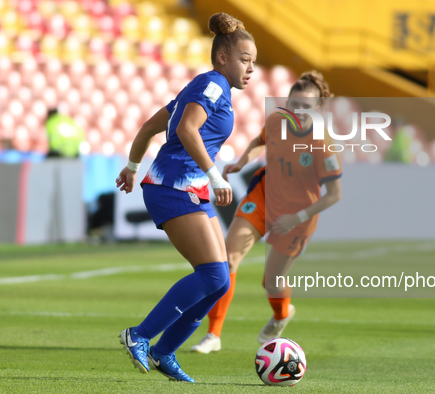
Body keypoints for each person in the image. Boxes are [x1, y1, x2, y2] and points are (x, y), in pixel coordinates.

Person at [115, 12, 256, 382]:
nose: (251, 69)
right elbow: (186, 128)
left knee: (220, 279)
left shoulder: (204, 88)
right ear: (223, 58)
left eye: (254, 62)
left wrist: (131, 166)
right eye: (245, 60)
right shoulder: (211, 86)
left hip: (187, 188)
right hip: (172, 187)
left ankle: (164, 352)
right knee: (212, 273)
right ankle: (140, 335)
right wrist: (214, 175)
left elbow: (149, 127)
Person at [191, 71, 343, 353]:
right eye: (294, 104)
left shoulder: (323, 144)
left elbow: (335, 195)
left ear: (319, 109)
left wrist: (295, 218)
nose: (298, 112)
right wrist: (242, 161)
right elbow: (258, 142)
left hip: (298, 217)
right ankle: (213, 335)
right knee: (228, 258)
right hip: (263, 198)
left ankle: (282, 314)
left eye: (306, 107)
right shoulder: (276, 122)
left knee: (271, 282)